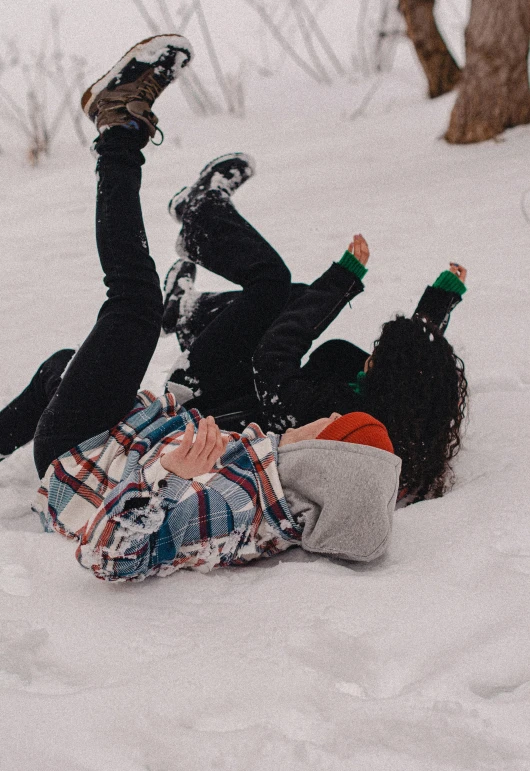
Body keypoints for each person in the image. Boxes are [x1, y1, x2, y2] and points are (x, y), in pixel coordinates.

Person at [0, 35, 402, 582]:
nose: (328, 417)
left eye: (337, 425)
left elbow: (112, 556)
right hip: (112, 433)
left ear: (330, 460)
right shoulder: (264, 473)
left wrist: (166, 477)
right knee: (71, 364)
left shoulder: (242, 501)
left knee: (133, 304)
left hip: (81, 454)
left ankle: (119, 124)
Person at [157, 155, 469, 502]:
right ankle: (186, 312)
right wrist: (434, 309)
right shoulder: (399, 414)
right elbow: (418, 368)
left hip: (202, 397)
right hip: (236, 386)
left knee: (272, 284)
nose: (372, 354)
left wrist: (341, 280)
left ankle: (200, 209)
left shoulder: (336, 416)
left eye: (378, 354)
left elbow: (273, 356)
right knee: (299, 300)